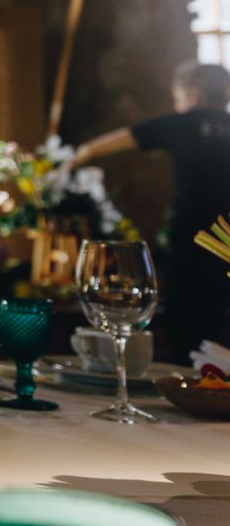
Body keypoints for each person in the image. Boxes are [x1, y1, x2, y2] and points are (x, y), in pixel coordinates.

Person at [72, 62, 230, 360]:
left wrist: (76, 157)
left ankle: (188, 381)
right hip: (227, 243)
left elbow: (118, 141)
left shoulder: (184, 122)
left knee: (184, 326)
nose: (176, 104)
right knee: (216, 319)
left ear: (194, 94)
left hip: (192, 236)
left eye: (178, 98)